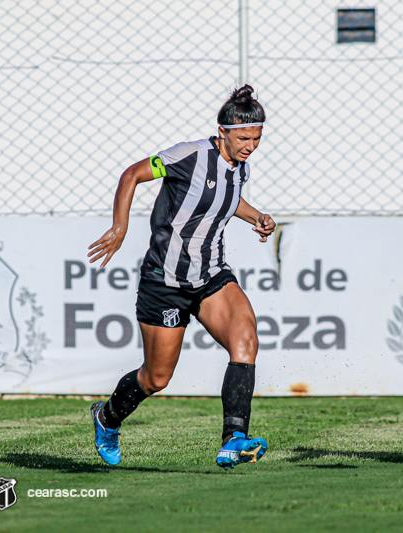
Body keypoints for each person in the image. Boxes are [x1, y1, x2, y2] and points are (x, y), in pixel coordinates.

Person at [87, 85, 276, 470]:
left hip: (210, 277)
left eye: (256, 138)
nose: (250, 146)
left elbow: (225, 199)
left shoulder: (241, 167)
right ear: (222, 131)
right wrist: (120, 227)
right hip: (166, 282)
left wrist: (256, 216)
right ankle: (106, 419)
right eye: (243, 138)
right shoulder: (189, 155)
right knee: (156, 378)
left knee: (246, 341)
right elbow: (131, 175)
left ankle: (233, 439)